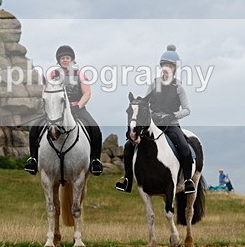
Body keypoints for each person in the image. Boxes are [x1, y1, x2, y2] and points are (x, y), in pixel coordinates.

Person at [116, 45, 195, 194]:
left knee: (184, 147)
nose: (167, 68)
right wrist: (153, 113)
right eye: (165, 65)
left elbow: (187, 109)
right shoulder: (154, 84)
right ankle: (127, 179)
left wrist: (173, 115)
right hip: (153, 125)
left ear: (174, 69)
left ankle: (187, 180)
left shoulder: (178, 88)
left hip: (171, 125)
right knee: (128, 146)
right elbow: (145, 103)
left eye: (170, 66)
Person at [24, 45, 103, 176]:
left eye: (67, 58)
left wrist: (78, 106)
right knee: (35, 128)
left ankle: (95, 160)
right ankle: (33, 159)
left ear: (72, 59)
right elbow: (46, 92)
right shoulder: (53, 74)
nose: (65, 60)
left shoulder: (80, 74)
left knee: (95, 128)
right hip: (56, 109)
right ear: (59, 60)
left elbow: (87, 93)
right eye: (62, 58)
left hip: (77, 108)